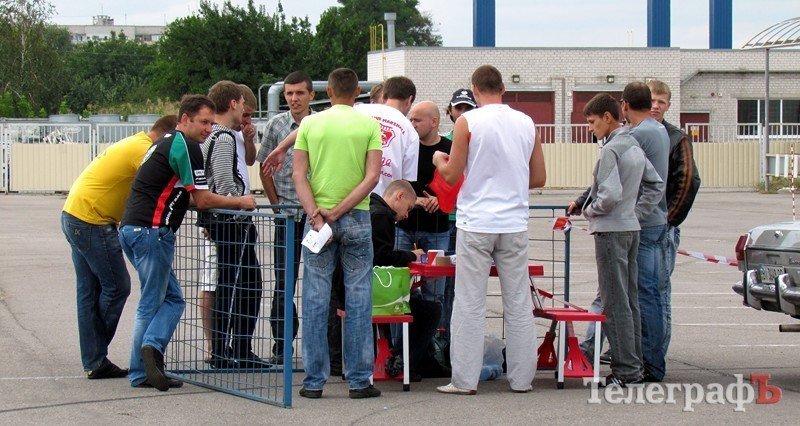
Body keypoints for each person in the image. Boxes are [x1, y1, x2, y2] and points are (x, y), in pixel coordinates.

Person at [119, 95, 257, 391]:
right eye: (204, 122)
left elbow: (183, 195)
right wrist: (239, 202)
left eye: (210, 122)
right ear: (185, 119)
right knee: (153, 303)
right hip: (151, 232)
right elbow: (203, 199)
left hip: (134, 229)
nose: (209, 128)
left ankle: (146, 362)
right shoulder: (186, 145)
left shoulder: (165, 141)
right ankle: (147, 360)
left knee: (171, 299)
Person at [433, 65, 546, 394]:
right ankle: (522, 379)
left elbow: (452, 175)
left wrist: (440, 160)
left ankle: (464, 380)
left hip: (476, 221)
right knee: (518, 302)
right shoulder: (526, 123)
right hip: (513, 223)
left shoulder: (468, 121)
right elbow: (538, 178)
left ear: (474, 89)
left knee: (469, 302)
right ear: (503, 88)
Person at [61, 114, 177, 380]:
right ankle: (95, 350)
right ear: (165, 136)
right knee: (117, 287)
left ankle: (94, 360)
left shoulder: (133, 142)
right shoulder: (145, 150)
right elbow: (161, 183)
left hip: (74, 214)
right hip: (92, 220)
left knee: (89, 291)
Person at [293, 68, 383, 399]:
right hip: (356, 217)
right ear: (357, 91)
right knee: (359, 298)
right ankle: (360, 379)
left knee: (316, 297)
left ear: (328, 92)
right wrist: (342, 209)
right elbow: (373, 177)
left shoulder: (310, 124)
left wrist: (316, 213)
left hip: (318, 221)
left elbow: (298, 174)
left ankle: (314, 381)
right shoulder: (368, 124)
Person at [580, 93, 664, 387]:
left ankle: (626, 372)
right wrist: (635, 213)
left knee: (615, 303)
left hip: (611, 231)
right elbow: (655, 186)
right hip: (630, 229)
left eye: (592, 122)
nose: (590, 128)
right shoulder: (634, 146)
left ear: (607, 117)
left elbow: (610, 194)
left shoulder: (612, 150)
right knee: (629, 300)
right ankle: (634, 367)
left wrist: (590, 210)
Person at [201, 81, 266, 369]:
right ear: (233, 104)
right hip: (231, 222)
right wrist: (240, 205)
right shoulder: (224, 137)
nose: (244, 110)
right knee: (242, 283)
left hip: (222, 220)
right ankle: (230, 350)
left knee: (234, 283)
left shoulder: (214, 135)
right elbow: (226, 181)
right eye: (242, 104)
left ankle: (231, 349)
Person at [257, 71, 315, 365]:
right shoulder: (276, 126)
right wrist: (276, 204)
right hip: (288, 217)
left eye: (299, 93)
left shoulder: (320, 124)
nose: (294, 99)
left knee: (319, 282)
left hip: (316, 216)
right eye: (289, 94)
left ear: (311, 96)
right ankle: (283, 344)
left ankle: (322, 348)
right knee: (284, 283)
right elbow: (264, 167)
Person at [647, 79, 701, 356]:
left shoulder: (676, 138)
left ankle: (656, 354)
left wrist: (669, 220)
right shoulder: (632, 133)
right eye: (652, 100)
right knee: (637, 292)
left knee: (658, 291)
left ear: (668, 105)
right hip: (637, 227)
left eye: (661, 102)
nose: (656, 106)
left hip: (661, 229)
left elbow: (689, 179)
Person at [622, 82, 670, 383]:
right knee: (652, 293)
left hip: (646, 223)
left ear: (624, 105)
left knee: (645, 294)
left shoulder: (638, 135)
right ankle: (650, 360)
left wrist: (634, 216)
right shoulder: (659, 129)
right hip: (657, 221)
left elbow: (631, 178)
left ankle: (651, 364)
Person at [368, 179, 438, 382]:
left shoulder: (371, 209)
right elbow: (382, 258)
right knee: (431, 310)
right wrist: (411, 255)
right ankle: (403, 362)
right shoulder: (383, 217)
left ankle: (398, 357)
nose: (406, 215)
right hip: (378, 295)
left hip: (363, 288)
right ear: (399, 196)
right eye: (408, 208)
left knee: (418, 304)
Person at [398, 101, 452, 317]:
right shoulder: (406, 147)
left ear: (434, 121)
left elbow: (459, 185)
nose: (413, 124)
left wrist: (441, 200)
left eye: (417, 120)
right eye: (411, 119)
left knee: (436, 292)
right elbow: (395, 182)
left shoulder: (449, 149)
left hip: (437, 229)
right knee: (400, 290)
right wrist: (416, 200)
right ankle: (400, 345)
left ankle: (434, 343)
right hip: (403, 225)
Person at [353, 76, 419, 195]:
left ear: (383, 96)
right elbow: (405, 181)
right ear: (409, 100)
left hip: (347, 194)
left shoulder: (358, 110)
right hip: (383, 203)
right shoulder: (410, 132)